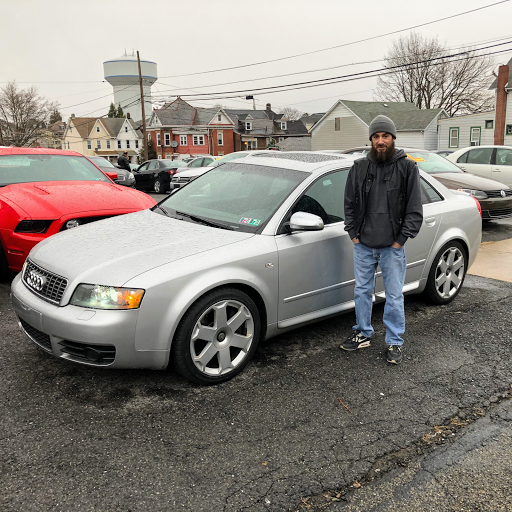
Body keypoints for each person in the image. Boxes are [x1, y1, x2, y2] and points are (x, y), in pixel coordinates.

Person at [340, 115, 423, 364]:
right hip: (363, 245)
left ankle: (395, 341)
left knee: (394, 295)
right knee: (362, 291)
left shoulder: (407, 168)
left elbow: (414, 209)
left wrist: (400, 240)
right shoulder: (359, 167)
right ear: (371, 140)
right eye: (376, 137)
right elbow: (349, 203)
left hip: (391, 247)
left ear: (393, 138)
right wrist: (353, 234)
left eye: (385, 136)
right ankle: (363, 332)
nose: (380, 141)